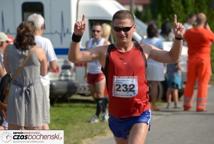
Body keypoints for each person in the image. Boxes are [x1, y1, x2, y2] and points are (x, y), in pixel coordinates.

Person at [68, 10, 184, 144]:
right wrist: (77, 36)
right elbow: (74, 57)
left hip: (140, 114)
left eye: (126, 29)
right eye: (117, 29)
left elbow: (172, 57)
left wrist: (178, 38)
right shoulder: (105, 51)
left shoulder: (144, 49)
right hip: (117, 116)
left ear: (134, 28)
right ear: (112, 29)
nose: (122, 33)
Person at [4, 21, 48, 130]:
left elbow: (8, 70)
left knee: (14, 128)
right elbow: (43, 72)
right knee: (36, 126)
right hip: (34, 90)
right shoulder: (38, 51)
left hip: (16, 89)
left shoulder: (8, 49)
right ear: (32, 34)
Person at [27, 13, 59, 129]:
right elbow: (54, 65)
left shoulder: (22, 42)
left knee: (29, 120)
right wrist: (46, 68)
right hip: (42, 83)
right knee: (43, 122)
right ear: (41, 27)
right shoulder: (45, 42)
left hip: (25, 84)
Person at [183, 12, 214, 112]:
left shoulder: (189, 32)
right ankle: (200, 105)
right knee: (203, 83)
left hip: (192, 59)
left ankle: (187, 104)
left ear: (196, 20)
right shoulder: (207, 33)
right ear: (205, 22)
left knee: (190, 82)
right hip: (204, 60)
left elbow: (184, 38)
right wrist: (208, 28)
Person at [85, 23, 109, 123]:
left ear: (102, 32)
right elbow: (86, 57)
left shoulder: (105, 43)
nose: (95, 33)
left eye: (98, 31)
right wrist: (85, 72)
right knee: (94, 95)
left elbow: (109, 58)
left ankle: (97, 116)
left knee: (99, 94)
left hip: (100, 72)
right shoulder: (88, 42)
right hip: (90, 71)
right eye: (94, 31)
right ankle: (104, 112)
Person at [143, 21, 165, 111]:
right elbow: (162, 53)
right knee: (155, 85)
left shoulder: (143, 40)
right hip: (156, 64)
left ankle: (145, 104)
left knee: (145, 85)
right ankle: (154, 104)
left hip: (146, 64)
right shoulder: (159, 41)